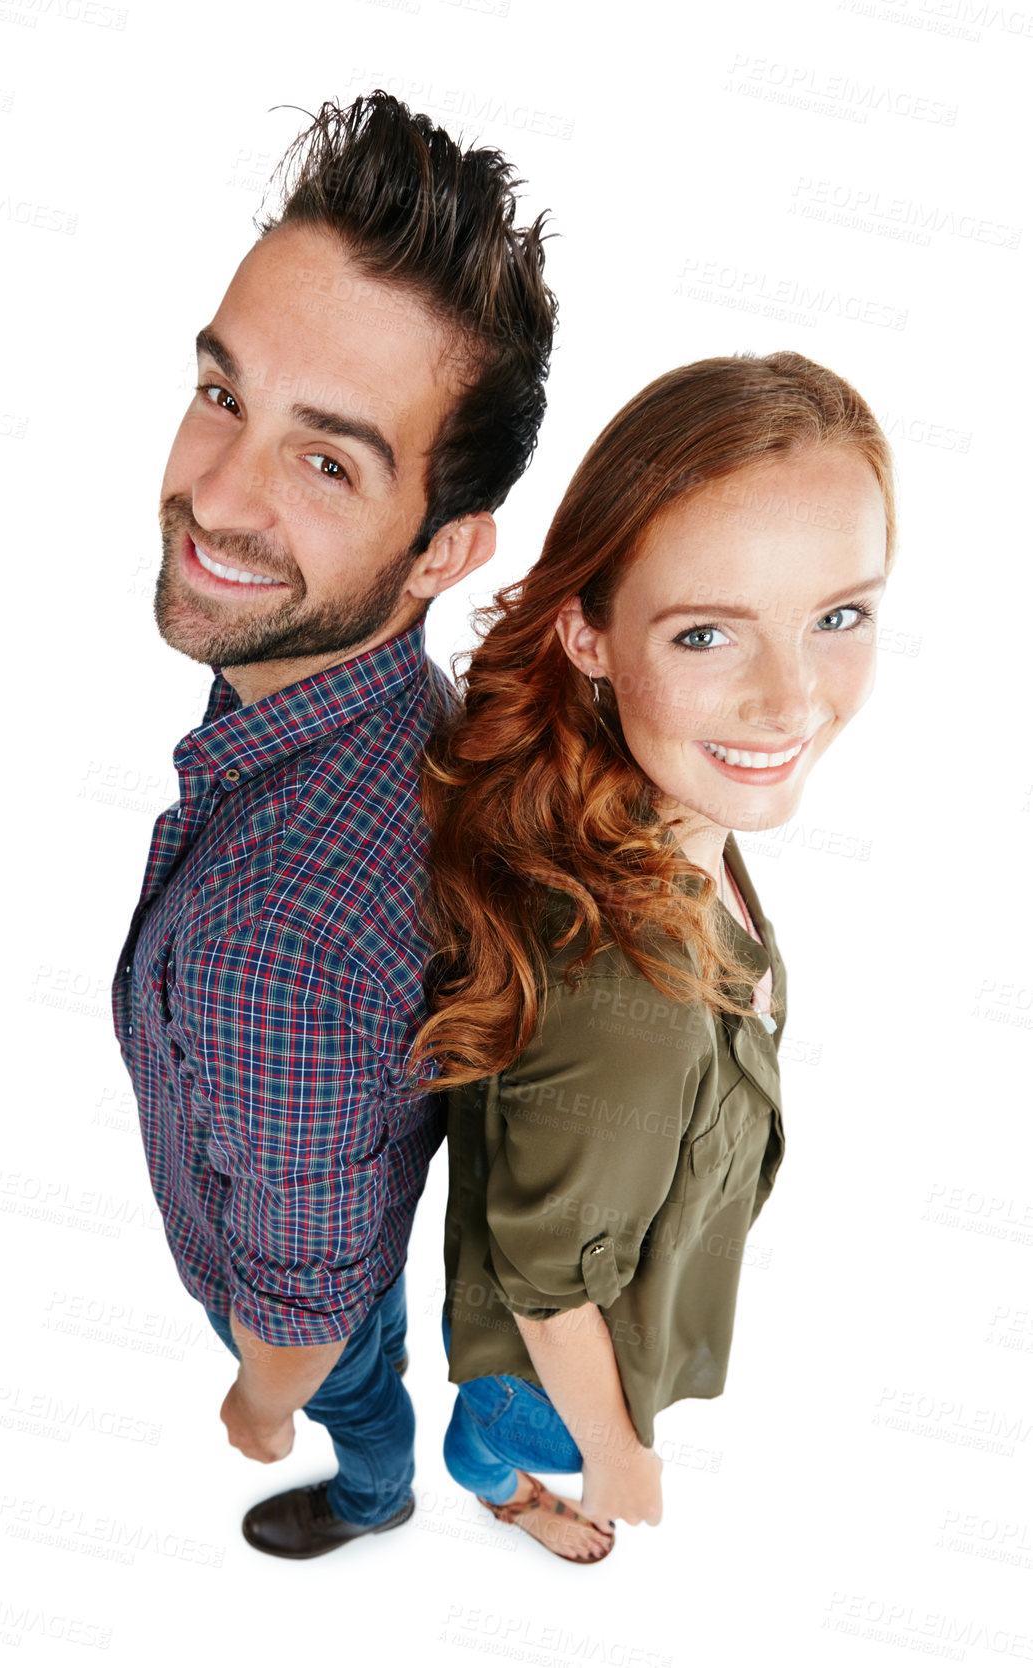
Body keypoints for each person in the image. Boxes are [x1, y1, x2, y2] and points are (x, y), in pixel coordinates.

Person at [111, 92, 557, 1559]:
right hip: (368, 1184)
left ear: (444, 550)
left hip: (319, 1299)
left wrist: (258, 1401)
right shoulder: (395, 699)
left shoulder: (270, 943)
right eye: (224, 394)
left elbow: (301, 1288)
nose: (215, 495)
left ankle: (374, 1488)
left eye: (328, 461)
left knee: (351, 1385)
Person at [414, 352, 895, 1562]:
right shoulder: (621, 993)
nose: (789, 700)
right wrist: (617, 1455)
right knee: (502, 1424)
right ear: (584, 631)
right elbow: (540, 1279)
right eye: (703, 635)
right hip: (558, 1370)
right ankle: (493, 1481)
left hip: (623, 1281)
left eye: (836, 615)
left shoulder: (672, 821)